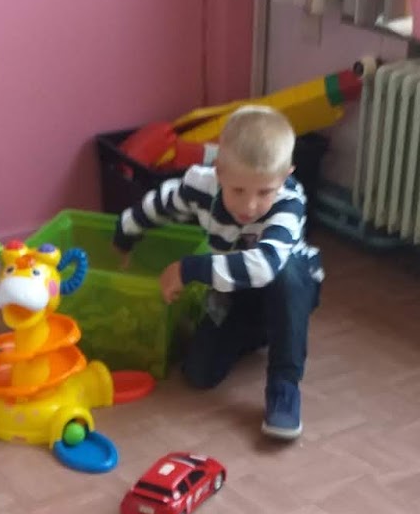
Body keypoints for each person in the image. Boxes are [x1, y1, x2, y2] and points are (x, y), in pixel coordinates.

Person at [114, 105, 322, 439]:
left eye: (264, 192)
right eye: (238, 190)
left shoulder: (289, 201)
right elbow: (159, 204)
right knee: (198, 374)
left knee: (285, 275)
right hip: (234, 289)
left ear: (285, 177)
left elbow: (264, 266)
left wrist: (188, 269)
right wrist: (124, 237)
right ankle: (259, 330)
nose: (250, 206)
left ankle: (284, 384)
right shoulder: (200, 184)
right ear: (219, 171)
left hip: (285, 284)